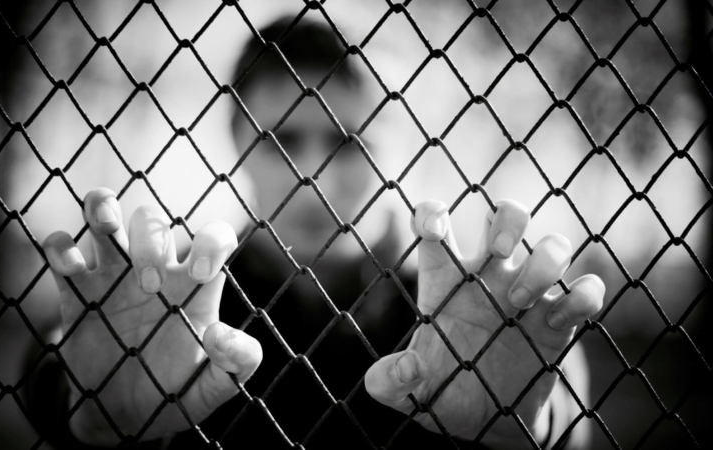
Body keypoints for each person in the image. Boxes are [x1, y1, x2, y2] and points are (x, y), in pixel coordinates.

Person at [30, 16, 604, 450]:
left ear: (397, 145)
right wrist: (86, 410)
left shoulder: (461, 311)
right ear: (237, 142)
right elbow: (55, 358)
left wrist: (535, 422)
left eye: (347, 143)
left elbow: (559, 398)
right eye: (282, 140)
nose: (314, 177)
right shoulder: (169, 300)